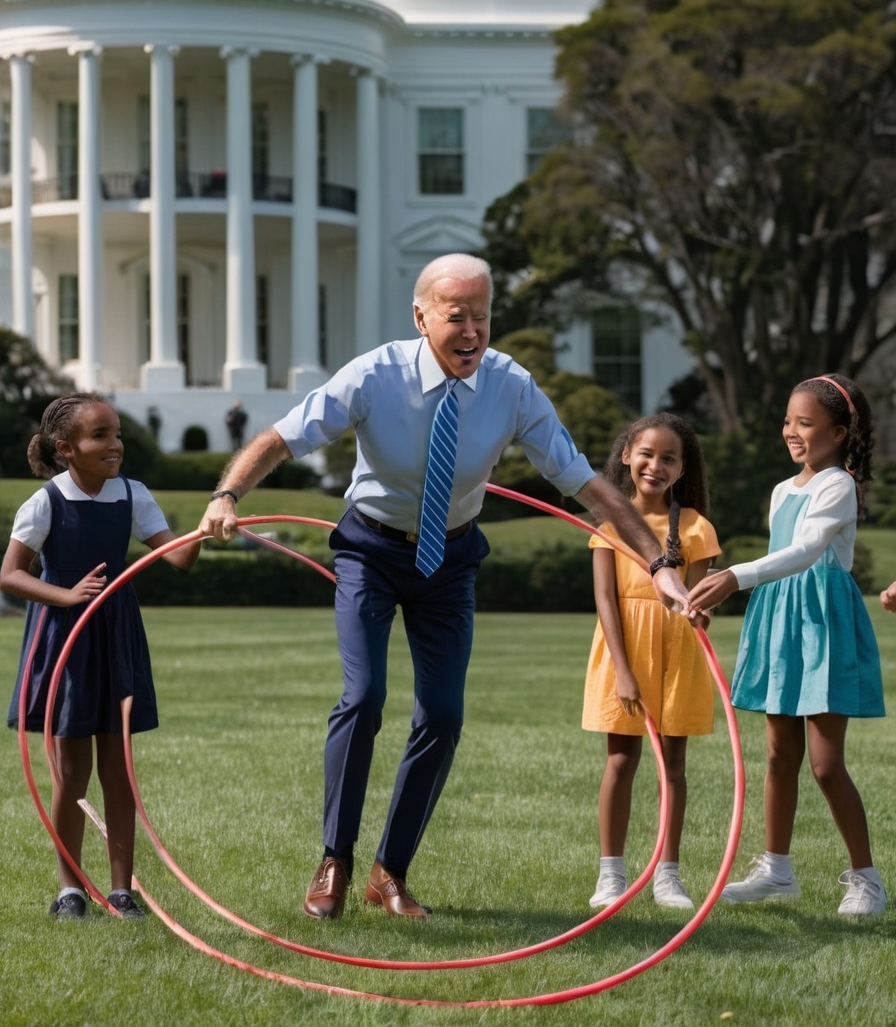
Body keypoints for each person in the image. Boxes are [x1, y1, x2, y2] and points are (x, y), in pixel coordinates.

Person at [199, 253, 691, 922]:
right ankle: (335, 859)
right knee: (364, 695)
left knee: (444, 715)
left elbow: (586, 484)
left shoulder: (510, 386)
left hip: (450, 560)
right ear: (421, 316)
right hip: (371, 548)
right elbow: (283, 438)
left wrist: (660, 564)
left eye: (482, 315)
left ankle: (388, 871)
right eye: (456, 315)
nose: (472, 330)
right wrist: (227, 495)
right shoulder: (375, 375)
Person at [689, 373, 886, 917]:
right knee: (780, 756)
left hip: (823, 625)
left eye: (806, 423)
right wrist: (717, 596)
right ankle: (776, 870)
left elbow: (804, 552)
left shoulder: (838, 486)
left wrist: (734, 576)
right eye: (787, 421)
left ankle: (867, 879)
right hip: (780, 621)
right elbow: (779, 564)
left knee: (825, 764)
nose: (791, 432)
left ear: (839, 432)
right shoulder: (782, 489)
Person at [4, 393, 200, 921]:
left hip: (115, 635)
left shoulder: (132, 495)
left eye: (117, 435)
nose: (115, 445)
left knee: (119, 772)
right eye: (101, 437)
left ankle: (120, 890)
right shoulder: (47, 501)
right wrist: (66, 595)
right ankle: (70, 888)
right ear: (67, 449)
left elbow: (178, 557)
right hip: (64, 639)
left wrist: (206, 528)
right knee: (72, 773)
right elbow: (10, 574)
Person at [584, 413, 719, 912]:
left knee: (674, 765)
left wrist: (700, 611)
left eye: (669, 458)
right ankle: (611, 874)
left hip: (677, 655)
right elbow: (605, 601)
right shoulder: (610, 525)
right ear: (626, 456)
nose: (655, 465)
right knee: (621, 759)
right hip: (625, 651)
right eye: (646, 454)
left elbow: (698, 600)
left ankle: (667, 873)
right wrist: (623, 670)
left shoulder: (696, 528)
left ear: (683, 469)